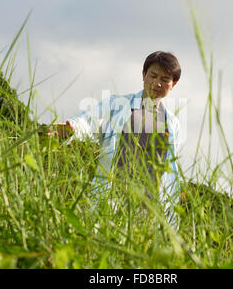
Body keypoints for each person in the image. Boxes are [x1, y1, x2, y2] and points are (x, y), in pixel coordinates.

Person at [47, 51, 182, 228]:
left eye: (165, 79)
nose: (157, 83)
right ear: (143, 75)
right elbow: (88, 120)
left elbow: (169, 174)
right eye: (153, 75)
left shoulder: (172, 124)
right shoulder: (117, 105)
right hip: (111, 201)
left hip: (149, 214)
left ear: (173, 85)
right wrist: (72, 128)